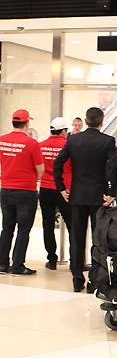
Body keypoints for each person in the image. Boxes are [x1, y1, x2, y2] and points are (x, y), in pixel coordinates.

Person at [54, 107, 117, 292]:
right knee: (98, 240)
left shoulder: (73, 139)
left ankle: (76, 279)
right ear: (101, 121)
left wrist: (61, 187)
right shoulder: (107, 141)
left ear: (86, 120)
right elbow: (112, 169)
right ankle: (93, 281)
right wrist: (112, 192)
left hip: (77, 195)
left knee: (77, 237)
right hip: (98, 197)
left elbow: (58, 163)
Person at [0, 109, 44, 275]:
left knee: (6, 228)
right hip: (26, 191)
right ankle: (18, 266)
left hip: (6, 189)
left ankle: (2, 264)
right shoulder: (32, 143)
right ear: (27, 123)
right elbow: (40, 169)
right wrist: (33, 178)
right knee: (23, 229)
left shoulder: (2, 140)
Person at [38, 117, 72, 270]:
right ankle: (75, 259)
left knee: (48, 225)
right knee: (72, 225)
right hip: (64, 189)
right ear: (63, 131)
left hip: (45, 189)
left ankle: (52, 260)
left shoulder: (41, 145)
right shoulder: (69, 146)